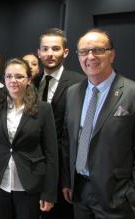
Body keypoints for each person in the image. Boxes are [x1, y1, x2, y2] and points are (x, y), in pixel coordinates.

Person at [62, 28, 135, 219]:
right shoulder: (73, 93)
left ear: (112, 54)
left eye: (98, 50)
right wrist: (68, 181)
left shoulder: (132, 93)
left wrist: (130, 195)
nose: (90, 57)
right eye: (84, 52)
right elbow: (68, 140)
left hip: (116, 197)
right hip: (79, 192)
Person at [0, 58, 58, 219]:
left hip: (30, 184)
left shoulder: (44, 109)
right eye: (9, 76)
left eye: (19, 76)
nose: (13, 80)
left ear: (28, 79)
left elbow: (51, 155)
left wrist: (49, 193)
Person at [33, 28, 84, 219]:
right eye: (45, 49)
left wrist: (68, 178)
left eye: (55, 48)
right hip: (34, 163)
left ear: (66, 52)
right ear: (38, 53)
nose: (50, 54)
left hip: (63, 167)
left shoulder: (79, 83)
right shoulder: (31, 82)